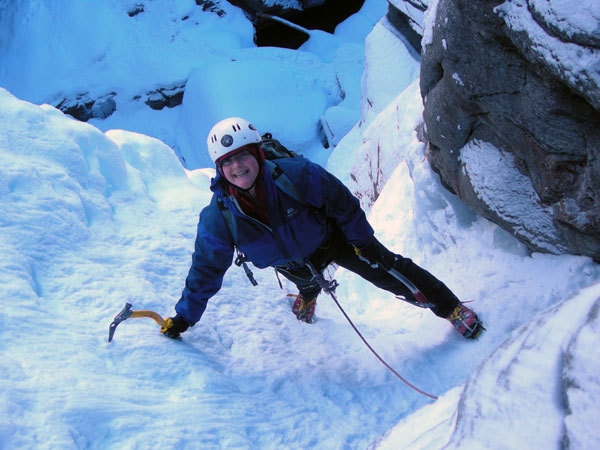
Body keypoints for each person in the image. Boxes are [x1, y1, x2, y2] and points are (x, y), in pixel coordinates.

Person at [161, 117, 484, 340]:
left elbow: (341, 203)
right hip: (288, 261)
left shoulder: (297, 175)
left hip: (334, 240)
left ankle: (450, 307)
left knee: (389, 270)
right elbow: (206, 269)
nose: (237, 167)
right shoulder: (219, 217)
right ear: (219, 169)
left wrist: (363, 241)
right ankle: (308, 295)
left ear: (258, 154)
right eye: (227, 162)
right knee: (307, 279)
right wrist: (185, 317)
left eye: (243, 155)